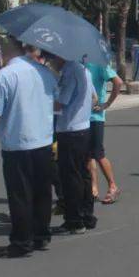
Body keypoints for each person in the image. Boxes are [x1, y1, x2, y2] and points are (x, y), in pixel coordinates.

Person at [0, 37, 57, 258]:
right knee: (42, 192)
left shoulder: (6, 75)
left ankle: (22, 242)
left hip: (18, 145)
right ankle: (41, 235)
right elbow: (56, 103)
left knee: (20, 195)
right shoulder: (45, 72)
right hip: (43, 141)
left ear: (4, 51)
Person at [52, 55, 96, 235]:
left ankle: (74, 220)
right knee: (83, 174)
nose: (51, 60)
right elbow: (94, 98)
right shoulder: (85, 70)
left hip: (70, 129)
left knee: (70, 177)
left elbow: (61, 102)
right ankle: (87, 215)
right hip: (83, 127)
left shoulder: (70, 70)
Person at [87, 61, 124, 204]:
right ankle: (93, 188)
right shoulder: (78, 62)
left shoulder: (98, 63)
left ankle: (113, 186)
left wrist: (107, 104)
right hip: (81, 117)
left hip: (95, 116)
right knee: (87, 155)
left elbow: (118, 82)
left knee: (98, 153)